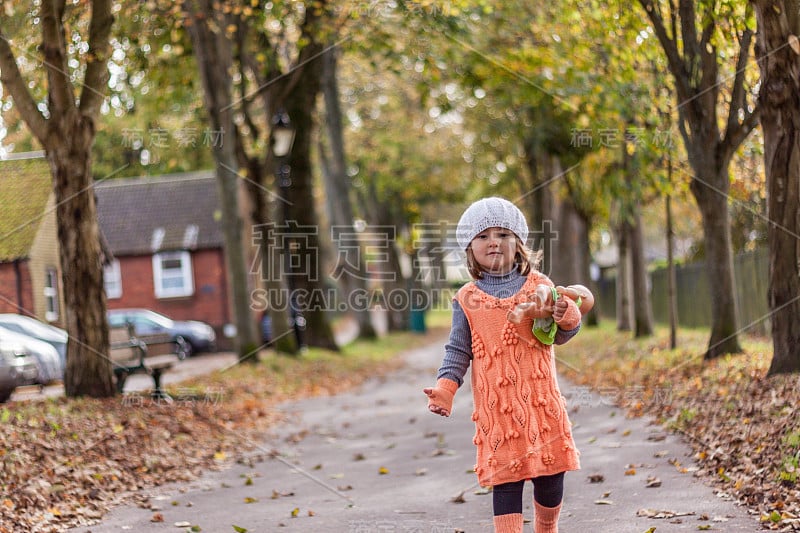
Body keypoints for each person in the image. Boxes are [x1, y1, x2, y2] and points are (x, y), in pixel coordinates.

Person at [423, 197, 584, 533]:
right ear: (469, 248)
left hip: (542, 405)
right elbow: (457, 350)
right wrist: (445, 389)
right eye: (482, 236)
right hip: (499, 413)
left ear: (519, 244)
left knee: (551, 476)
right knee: (506, 483)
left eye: (503, 234)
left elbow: (556, 334)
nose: (493, 241)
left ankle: (546, 526)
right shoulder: (467, 298)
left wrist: (567, 317)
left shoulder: (540, 286)